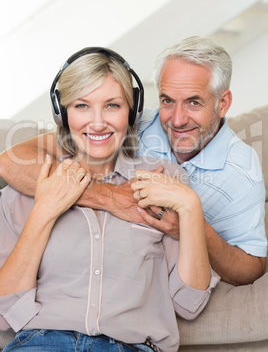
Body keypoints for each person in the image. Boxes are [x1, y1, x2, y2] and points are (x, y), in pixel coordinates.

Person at [0, 48, 219, 352]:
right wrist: (46, 210)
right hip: (43, 343)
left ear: (132, 112)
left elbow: (190, 303)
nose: (98, 122)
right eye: (82, 106)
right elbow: (5, 310)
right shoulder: (25, 190)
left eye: (112, 105)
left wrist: (191, 207)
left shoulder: (164, 180)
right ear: (62, 113)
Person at [0, 37, 266, 286]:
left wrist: (189, 227)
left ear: (223, 103)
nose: (177, 119)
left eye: (194, 102)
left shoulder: (243, 171)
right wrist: (108, 196)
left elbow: (251, 268)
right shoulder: (126, 125)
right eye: (167, 101)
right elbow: (11, 162)